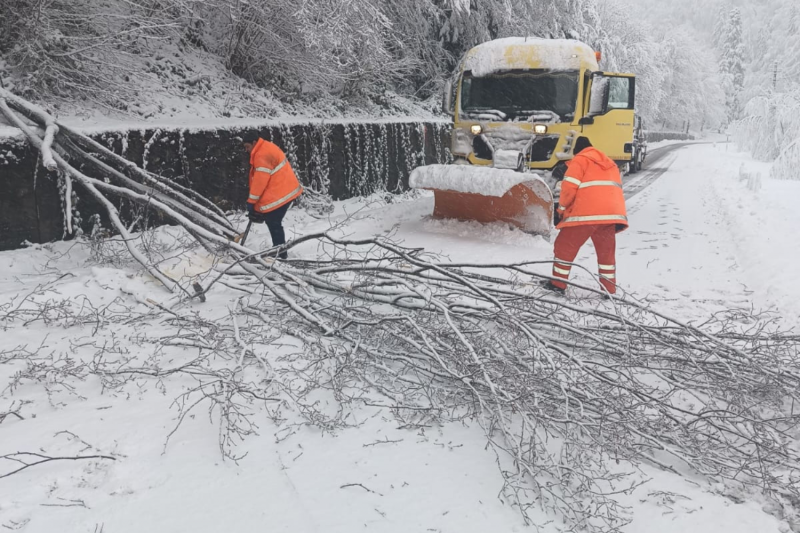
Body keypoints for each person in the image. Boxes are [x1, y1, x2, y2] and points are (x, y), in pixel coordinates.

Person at [543, 137, 628, 296]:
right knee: (606, 253)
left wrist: (561, 209)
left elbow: (569, 189)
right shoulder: (609, 163)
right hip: (610, 216)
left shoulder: (580, 160)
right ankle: (608, 289)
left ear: (577, 151)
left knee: (564, 247)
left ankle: (558, 284)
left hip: (586, 214)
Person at [240, 132, 303, 259]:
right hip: (284, 188)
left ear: (254, 143)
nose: (246, 150)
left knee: (273, 221)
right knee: (272, 221)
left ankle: (280, 255)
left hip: (282, 192)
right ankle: (279, 252)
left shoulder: (262, 154)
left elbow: (260, 182)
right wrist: (257, 208)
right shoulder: (264, 148)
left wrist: (251, 203)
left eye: (247, 147)